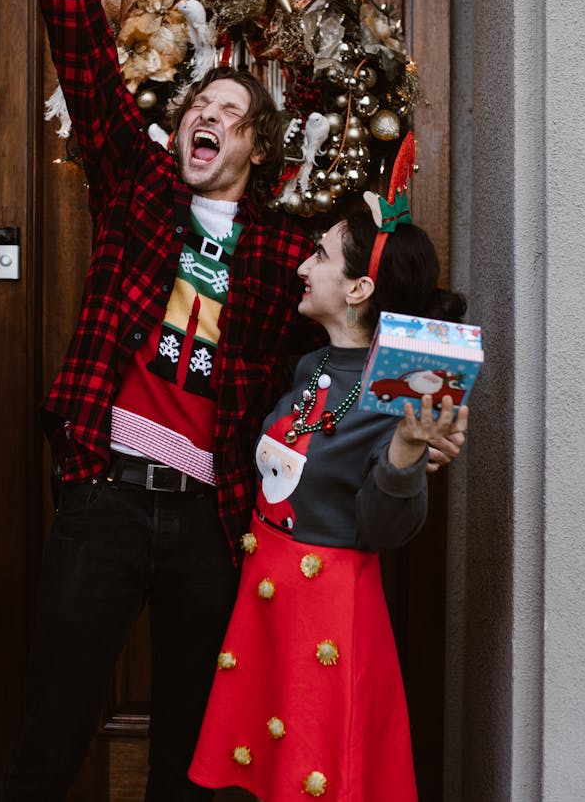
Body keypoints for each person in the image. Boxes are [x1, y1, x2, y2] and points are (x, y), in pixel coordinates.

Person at [0, 0, 466, 802]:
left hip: (216, 519)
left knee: (195, 762)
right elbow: (79, 45)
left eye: (232, 113)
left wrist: (430, 409)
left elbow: (379, 285)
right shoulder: (134, 185)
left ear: (259, 149)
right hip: (105, 494)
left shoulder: (285, 250)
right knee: (50, 734)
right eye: (197, 108)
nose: (207, 116)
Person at [189, 209, 468, 801]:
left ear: (359, 288)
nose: (301, 265)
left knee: (315, 771)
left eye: (318, 255)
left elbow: (385, 527)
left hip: (327, 615)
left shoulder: (401, 390)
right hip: (268, 598)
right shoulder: (310, 365)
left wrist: (408, 450)